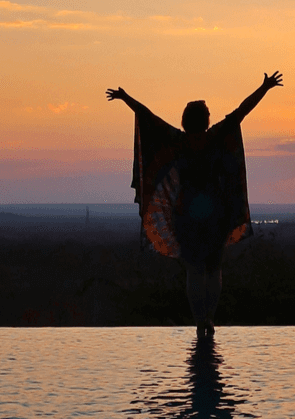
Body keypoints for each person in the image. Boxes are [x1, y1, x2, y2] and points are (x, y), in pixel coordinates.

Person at [107, 72, 283, 338]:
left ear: (185, 121)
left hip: (186, 212)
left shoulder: (177, 141)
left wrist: (125, 97)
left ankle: (200, 319)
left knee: (193, 269)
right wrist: (264, 87)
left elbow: (148, 116)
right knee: (213, 267)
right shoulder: (215, 137)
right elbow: (242, 111)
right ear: (206, 120)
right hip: (215, 213)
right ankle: (209, 318)